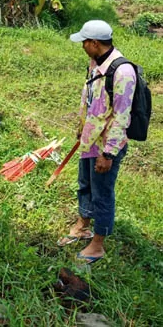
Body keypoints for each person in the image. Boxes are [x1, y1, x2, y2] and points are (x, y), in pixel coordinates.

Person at [57, 20, 136, 264]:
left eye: (84, 42)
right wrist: (82, 129)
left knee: (102, 193)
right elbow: (92, 101)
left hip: (105, 147)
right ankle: (83, 225)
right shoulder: (95, 64)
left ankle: (98, 245)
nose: (82, 46)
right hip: (89, 141)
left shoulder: (122, 72)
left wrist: (109, 154)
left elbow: (122, 116)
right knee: (85, 185)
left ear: (94, 43)